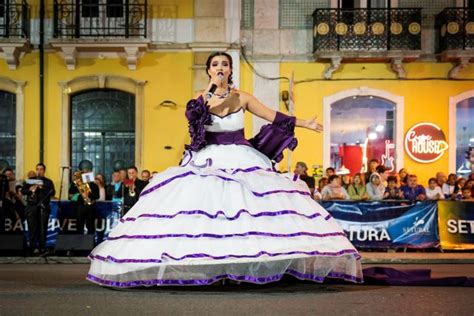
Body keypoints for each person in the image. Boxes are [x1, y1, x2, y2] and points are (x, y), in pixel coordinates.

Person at [87, 51, 362, 287]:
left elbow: (273, 115)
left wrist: (305, 123)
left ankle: (247, 266)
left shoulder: (243, 97)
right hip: (208, 159)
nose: (221, 68)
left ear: (231, 70)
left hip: (242, 157)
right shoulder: (200, 98)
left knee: (245, 212)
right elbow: (193, 117)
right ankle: (212, 267)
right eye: (216, 64)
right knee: (206, 213)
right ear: (209, 70)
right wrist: (210, 90)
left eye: (225, 64)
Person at [21, 163, 56, 255]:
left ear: (44, 171)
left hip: (43, 207)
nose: (39, 171)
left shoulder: (48, 182)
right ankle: (32, 248)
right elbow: (22, 191)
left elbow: (52, 192)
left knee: (42, 228)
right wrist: (31, 190)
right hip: (32, 206)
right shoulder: (30, 181)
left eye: (41, 169)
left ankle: (42, 248)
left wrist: (42, 187)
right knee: (32, 228)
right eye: (37, 169)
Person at [69, 163, 100, 235]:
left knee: (91, 227)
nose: (86, 173)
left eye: (88, 171)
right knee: (79, 226)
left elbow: (97, 196)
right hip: (79, 207)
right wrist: (81, 195)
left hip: (91, 207)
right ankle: (79, 244)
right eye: (84, 172)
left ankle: (91, 244)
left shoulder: (94, 185)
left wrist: (89, 194)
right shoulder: (75, 184)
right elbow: (70, 196)